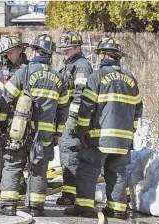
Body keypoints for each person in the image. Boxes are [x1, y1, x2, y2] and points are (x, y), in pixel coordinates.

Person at [0, 34, 69, 217]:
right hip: (45, 134)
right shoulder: (58, 77)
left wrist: (1, 123)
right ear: (50, 54)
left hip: (21, 131)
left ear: (34, 51)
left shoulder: (24, 72)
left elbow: (6, 98)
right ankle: (36, 206)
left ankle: (8, 205)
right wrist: (58, 133)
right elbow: (63, 109)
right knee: (39, 169)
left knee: (13, 165)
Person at [65, 38, 143, 219]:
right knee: (117, 173)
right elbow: (138, 108)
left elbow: (86, 106)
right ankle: (116, 209)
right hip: (123, 140)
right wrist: (130, 131)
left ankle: (84, 207)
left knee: (87, 170)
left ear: (103, 55)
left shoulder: (97, 77)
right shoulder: (131, 79)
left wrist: (82, 130)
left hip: (99, 138)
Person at [56, 29, 94, 205]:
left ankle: (69, 194)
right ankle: (70, 192)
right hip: (67, 117)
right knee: (66, 154)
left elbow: (81, 93)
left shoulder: (81, 66)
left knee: (69, 152)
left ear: (78, 47)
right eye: (63, 48)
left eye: (68, 48)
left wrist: (72, 117)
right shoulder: (69, 64)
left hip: (75, 119)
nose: (65, 51)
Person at [0, 35, 29, 195]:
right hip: (5, 120)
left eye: (12, 51)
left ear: (19, 50)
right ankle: (5, 185)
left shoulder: (30, 69)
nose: (9, 55)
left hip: (27, 120)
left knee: (27, 155)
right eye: (7, 53)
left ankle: (25, 185)